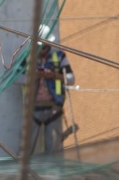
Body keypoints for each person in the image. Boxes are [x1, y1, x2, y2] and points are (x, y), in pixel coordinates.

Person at [24, 24, 76, 155]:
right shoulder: (28, 59)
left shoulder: (59, 56)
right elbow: (15, 78)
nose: (43, 51)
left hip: (54, 108)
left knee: (53, 149)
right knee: (26, 150)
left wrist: (54, 75)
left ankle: (52, 175)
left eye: (45, 47)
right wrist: (34, 76)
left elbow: (71, 78)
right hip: (33, 109)